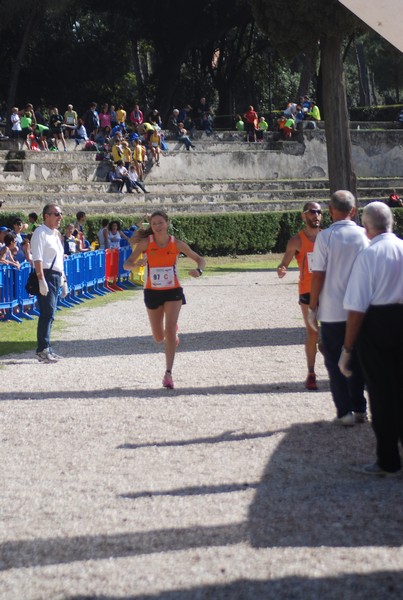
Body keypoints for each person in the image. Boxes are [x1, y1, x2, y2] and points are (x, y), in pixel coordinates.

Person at [338, 202, 403, 475]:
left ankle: (388, 460)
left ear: (367, 227)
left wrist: (347, 348)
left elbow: (356, 310)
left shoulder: (369, 255)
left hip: (378, 325)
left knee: (380, 393)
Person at [123, 210, 205, 389]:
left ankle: (168, 373)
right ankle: (171, 333)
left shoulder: (177, 244)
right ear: (151, 227)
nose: (158, 226)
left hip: (173, 291)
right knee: (159, 337)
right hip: (152, 292)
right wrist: (135, 264)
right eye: (154, 224)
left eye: (160, 223)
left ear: (167, 223)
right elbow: (126, 263)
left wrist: (199, 271)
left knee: (168, 330)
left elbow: (200, 259)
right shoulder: (146, 243)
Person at [308, 190, 368, 426]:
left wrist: (313, 305)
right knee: (357, 358)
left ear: (331, 211)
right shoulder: (365, 235)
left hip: (333, 309)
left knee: (334, 361)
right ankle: (360, 407)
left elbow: (318, 275)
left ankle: (344, 411)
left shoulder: (326, 237)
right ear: (353, 211)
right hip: (360, 308)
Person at [277, 202, 322, 390]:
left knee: (332, 332)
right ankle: (311, 372)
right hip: (307, 291)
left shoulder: (327, 237)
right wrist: (282, 269)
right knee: (312, 332)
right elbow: (284, 262)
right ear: (304, 216)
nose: (317, 215)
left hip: (328, 290)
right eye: (313, 212)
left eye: (319, 212)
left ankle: (337, 370)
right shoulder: (296, 241)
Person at [31, 204, 68, 363]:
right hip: (46, 275)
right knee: (47, 313)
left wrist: (63, 279)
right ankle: (43, 349)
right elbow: (37, 258)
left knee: (50, 314)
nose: (60, 217)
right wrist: (41, 279)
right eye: (56, 214)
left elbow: (59, 259)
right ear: (47, 216)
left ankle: (46, 348)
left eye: (60, 214)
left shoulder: (55, 234)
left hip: (55, 275)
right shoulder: (40, 232)